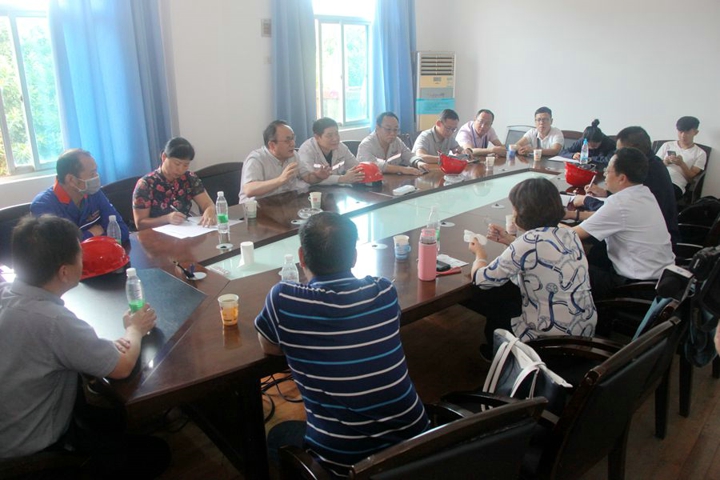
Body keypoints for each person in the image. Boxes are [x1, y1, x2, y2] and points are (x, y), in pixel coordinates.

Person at [255, 212, 429, 476]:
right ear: (354, 257)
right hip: (420, 445)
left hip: (349, 465)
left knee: (278, 434)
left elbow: (268, 347)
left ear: (302, 257)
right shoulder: (384, 291)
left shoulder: (284, 299)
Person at [0, 215, 169, 478]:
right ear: (64, 272)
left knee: (115, 420)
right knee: (158, 453)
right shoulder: (54, 321)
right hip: (32, 446)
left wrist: (102, 346)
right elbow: (122, 367)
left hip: (9, 424)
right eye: (79, 254)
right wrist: (135, 329)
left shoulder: (9, 295)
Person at [467, 178, 596, 352]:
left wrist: (480, 255)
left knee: (495, 301)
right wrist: (510, 240)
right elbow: (541, 254)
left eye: (514, 208)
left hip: (549, 341)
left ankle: (498, 353)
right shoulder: (569, 234)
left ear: (523, 212)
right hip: (584, 332)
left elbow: (482, 279)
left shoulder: (528, 242)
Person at [573, 148, 675, 300]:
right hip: (661, 280)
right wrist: (572, 215)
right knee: (595, 253)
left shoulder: (620, 203)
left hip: (635, 287)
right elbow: (608, 217)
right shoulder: (643, 193)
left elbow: (572, 235)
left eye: (608, 170)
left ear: (622, 178)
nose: (605, 174)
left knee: (570, 268)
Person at [572, 126, 679, 244]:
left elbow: (618, 210)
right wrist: (606, 193)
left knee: (585, 243)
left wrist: (586, 201)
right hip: (652, 238)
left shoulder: (649, 173)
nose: (617, 155)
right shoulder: (652, 165)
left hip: (648, 240)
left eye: (620, 152)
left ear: (632, 150)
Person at [31, 149, 130, 244]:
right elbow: (59, 250)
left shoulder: (94, 192)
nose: (97, 176)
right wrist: (91, 234)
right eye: (92, 174)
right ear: (71, 179)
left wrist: (82, 239)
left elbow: (121, 231)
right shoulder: (43, 205)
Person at [132, 137, 217, 230]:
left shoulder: (189, 178)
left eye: (186, 165)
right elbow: (140, 223)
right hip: (156, 235)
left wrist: (209, 210)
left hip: (186, 231)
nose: (181, 169)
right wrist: (166, 219)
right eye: (177, 164)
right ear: (164, 157)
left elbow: (207, 204)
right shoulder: (146, 184)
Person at [239, 120, 312, 202]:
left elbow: (306, 176)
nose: (293, 144)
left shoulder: (293, 155)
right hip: (256, 207)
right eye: (287, 140)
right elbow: (249, 190)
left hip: (283, 203)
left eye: (293, 138)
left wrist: (318, 176)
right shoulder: (256, 159)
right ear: (272, 145)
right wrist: (280, 179)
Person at [297, 117, 364, 185]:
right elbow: (308, 179)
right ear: (317, 137)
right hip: (312, 189)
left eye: (336, 134)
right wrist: (342, 178)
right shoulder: (307, 151)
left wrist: (357, 173)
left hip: (336, 188)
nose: (335, 139)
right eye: (329, 135)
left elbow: (356, 167)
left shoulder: (341, 147)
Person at [357, 112, 426, 175]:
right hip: (371, 183)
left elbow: (408, 155)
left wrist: (418, 163)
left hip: (392, 181)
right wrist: (401, 169)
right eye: (388, 129)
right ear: (377, 128)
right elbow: (373, 165)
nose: (392, 133)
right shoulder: (366, 145)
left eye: (395, 130)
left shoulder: (396, 141)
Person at [656, 116, 707, 200]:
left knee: (659, 195)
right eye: (680, 132)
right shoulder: (667, 145)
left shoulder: (700, 153)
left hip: (675, 185)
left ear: (695, 132)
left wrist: (682, 164)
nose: (683, 135)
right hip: (658, 178)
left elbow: (692, 180)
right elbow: (654, 166)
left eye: (687, 132)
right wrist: (666, 162)